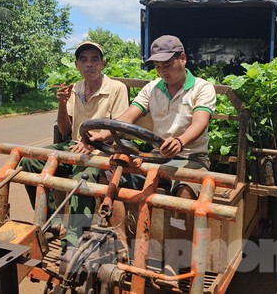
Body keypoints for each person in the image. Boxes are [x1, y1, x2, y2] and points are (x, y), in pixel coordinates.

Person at [89, 35, 216, 286]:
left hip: (191, 157)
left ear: (182, 58)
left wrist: (180, 141)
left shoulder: (202, 87)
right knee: (110, 178)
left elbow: (201, 122)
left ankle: (174, 260)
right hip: (157, 157)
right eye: (157, 67)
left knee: (183, 196)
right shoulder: (152, 88)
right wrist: (102, 132)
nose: (162, 71)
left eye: (167, 65)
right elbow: (129, 116)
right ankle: (121, 250)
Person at [19, 41, 129, 253]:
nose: (89, 65)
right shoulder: (76, 88)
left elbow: (119, 128)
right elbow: (65, 128)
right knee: (29, 161)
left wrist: (92, 141)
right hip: (75, 145)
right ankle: (53, 219)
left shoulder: (116, 88)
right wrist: (62, 104)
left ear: (103, 64)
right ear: (77, 65)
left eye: (94, 59)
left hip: (103, 150)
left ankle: (73, 241)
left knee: (82, 179)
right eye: (84, 60)